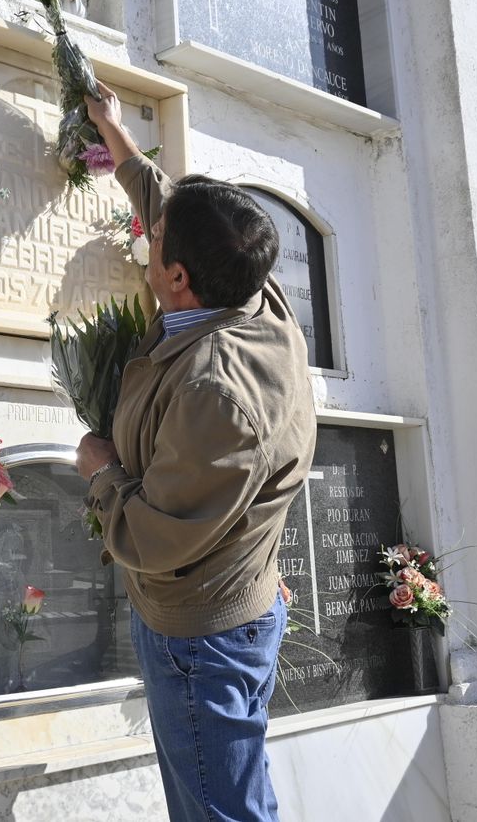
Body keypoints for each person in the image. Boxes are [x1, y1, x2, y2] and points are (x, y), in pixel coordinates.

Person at [75, 85, 317, 822]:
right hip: (237, 600)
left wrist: (99, 472)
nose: (147, 239)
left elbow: (154, 535)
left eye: (155, 245)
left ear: (177, 278)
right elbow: (174, 214)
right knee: (230, 793)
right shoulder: (246, 287)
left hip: (202, 638)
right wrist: (115, 137)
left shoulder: (217, 395)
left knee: (219, 811)